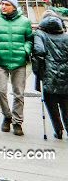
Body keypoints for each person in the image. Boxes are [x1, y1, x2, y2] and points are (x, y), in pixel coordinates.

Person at [0, 0, 33, 136]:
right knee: (0, 90)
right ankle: (7, 115)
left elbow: (29, 39)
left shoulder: (24, 22)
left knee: (19, 93)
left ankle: (17, 122)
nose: (3, 7)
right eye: (2, 4)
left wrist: (26, 50)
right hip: (0, 61)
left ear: (14, 7)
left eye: (7, 4)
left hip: (19, 62)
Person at [32, 9, 68, 139]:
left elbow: (39, 51)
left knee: (51, 103)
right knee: (66, 104)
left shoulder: (40, 34)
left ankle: (58, 130)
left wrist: (37, 71)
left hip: (48, 74)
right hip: (65, 75)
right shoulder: (65, 36)